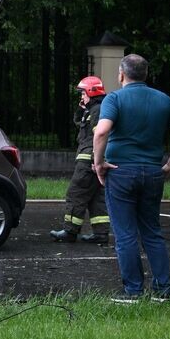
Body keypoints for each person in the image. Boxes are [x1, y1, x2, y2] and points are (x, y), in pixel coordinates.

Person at [92, 54, 170, 302]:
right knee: (152, 231)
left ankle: (133, 291)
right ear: (146, 74)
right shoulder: (163, 99)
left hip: (121, 171)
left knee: (125, 234)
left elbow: (101, 132)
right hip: (153, 171)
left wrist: (98, 163)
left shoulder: (114, 98)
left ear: (121, 74)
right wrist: (169, 166)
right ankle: (163, 289)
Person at [50, 75, 111, 245]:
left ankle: (70, 231)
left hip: (88, 161)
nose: (81, 96)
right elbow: (78, 122)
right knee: (96, 198)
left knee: (75, 193)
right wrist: (81, 108)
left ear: (92, 92)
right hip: (92, 160)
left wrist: (95, 159)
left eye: (83, 93)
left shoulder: (97, 110)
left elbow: (101, 136)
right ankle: (101, 234)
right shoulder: (92, 110)